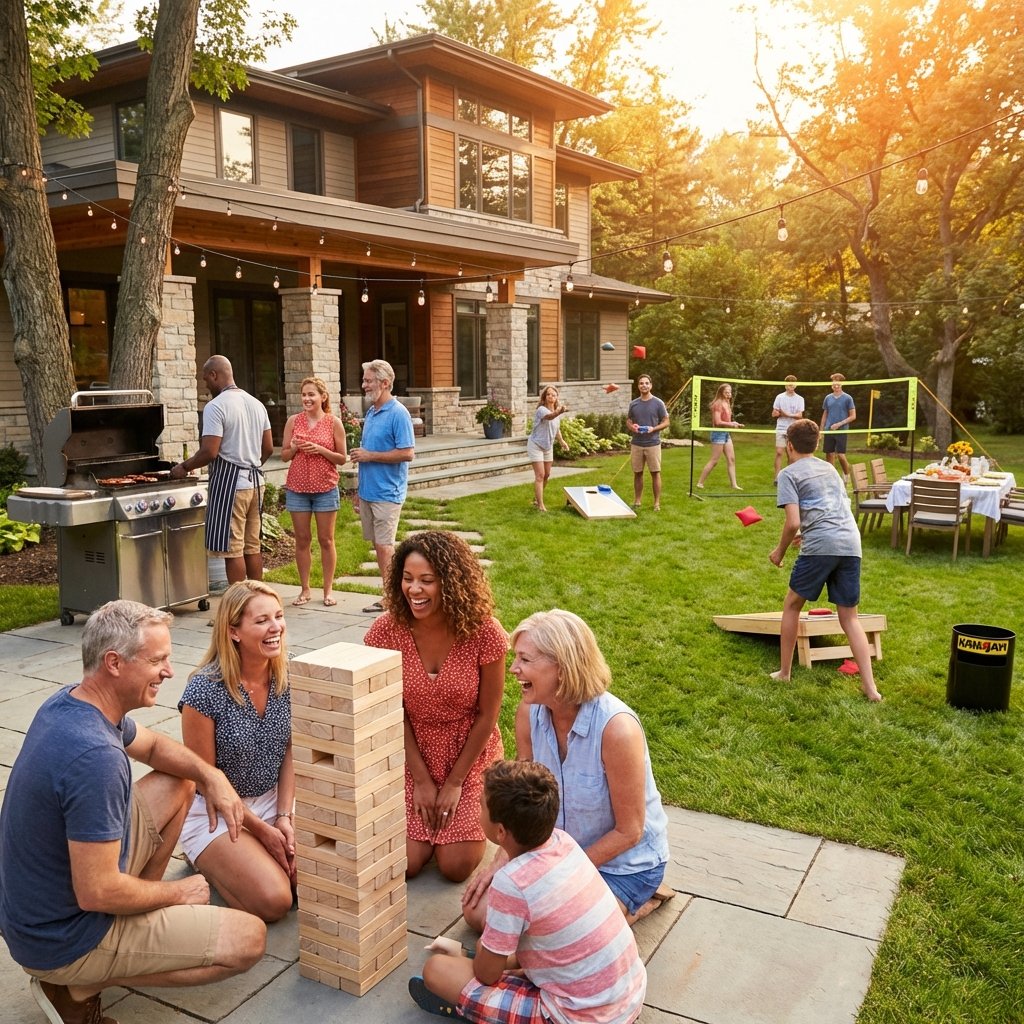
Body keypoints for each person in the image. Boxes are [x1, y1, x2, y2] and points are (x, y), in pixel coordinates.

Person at [0, 601, 265, 1024]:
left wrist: (210, 775)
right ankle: (76, 985)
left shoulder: (72, 702)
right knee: (248, 940)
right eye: (157, 660)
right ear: (114, 663)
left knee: (180, 780)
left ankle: (137, 923)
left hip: (37, 914)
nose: (169, 671)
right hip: (60, 939)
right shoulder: (96, 759)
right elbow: (97, 893)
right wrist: (179, 893)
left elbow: (156, 747)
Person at [463, 609, 670, 931]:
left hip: (622, 865)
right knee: (479, 916)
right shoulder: (529, 712)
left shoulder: (617, 729)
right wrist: (500, 861)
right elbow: (522, 802)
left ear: (562, 667)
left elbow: (630, 831)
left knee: (554, 934)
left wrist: (554, 874)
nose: (514, 668)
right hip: (553, 854)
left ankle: (638, 902)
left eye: (525, 659)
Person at [411, 759, 646, 1024]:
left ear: (501, 831)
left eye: (481, 805)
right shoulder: (563, 841)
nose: (477, 808)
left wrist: (482, 950)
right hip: (629, 996)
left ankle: (473, 1009)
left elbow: (487, 974)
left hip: (579, 1017)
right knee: (509, 959)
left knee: (437, 970)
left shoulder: (511, 883)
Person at [364, 530, 507, 882]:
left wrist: (456, 782)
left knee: (455, 866)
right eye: (407, 578)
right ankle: (428, 827)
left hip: (470, 751)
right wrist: (422, 780)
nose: (414, 590)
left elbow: (488, 715)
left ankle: (468, 814)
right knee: (407, 862)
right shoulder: (385, 632)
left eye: (426, 580)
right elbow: (390, 711)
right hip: (411, 749)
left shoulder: (484, 631)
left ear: (451, 583)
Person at [178, 581, 295, 922]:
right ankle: (205, 859)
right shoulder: (203, 691)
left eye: (278, 616)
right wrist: (262, 831)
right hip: (217, 810)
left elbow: (291, 752)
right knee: (275, 902)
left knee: (313, 878)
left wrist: (283, 816)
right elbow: (206, 781)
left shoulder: (289, 674)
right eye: (262, 620)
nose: (276, 627)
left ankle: (246, 861)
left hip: (274, 799)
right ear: (233, 631)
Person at [768, 419, 882, 702]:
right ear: (817, 444)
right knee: (850, 618)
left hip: (821, 545)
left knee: (792, 605)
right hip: (850, 542)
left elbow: (793, 522)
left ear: (789, 445)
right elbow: (832, 508)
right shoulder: (830, 468)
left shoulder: (788, 474)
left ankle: (784, 672)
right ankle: (871, 688)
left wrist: (780, 551)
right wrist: (808, 533)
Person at [171, 355, 273, 583]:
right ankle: (257, 598)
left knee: (232, 549)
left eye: (206, 379)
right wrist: (251, 464)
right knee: (252, 546)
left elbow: (210, 451)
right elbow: (267, 448)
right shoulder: (256, 404)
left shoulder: (215, 407)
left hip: (231, 486)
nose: (206, 384)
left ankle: (236, 602)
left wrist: (184, 467)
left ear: (214, 375)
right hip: (256, 483)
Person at [348, 359, 416, 613]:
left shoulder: (398, 413)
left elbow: (407, 453)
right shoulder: (372, 412)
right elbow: (364, 456)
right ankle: (390, 594)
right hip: (369, 491)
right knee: (378, 545)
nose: (364, 385)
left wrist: (370, 456)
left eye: (368, 380)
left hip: (388, 492)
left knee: (386, 546)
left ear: (385, 383)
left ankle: (394, 600)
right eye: (364, 380)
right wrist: (359, 491)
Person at [280, 376, 348, 606]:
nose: (307, 399)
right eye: (304, 395)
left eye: (312, 394)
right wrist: (293, 447)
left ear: (323, 397)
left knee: (326, 540)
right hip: (297, 488)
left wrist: (319, 449)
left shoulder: (333, 423)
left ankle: (328, 591)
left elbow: (342, 458)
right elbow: (284, 456)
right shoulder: (293, 421)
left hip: (325, 488)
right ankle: (305, 589)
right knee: (302, 540)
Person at [626, 373, 670, 510]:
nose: (644, 385)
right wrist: (632, 427)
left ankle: (656, 503)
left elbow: (666, 421)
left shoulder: (658, 403)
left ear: (651, 385)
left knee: (655, 472)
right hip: (637, 444)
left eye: (646, 383)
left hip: (653, 443)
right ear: (638, 386)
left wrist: (653, 429)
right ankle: (637, 501)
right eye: (641, 383)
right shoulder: (633, 404)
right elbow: (628, 420)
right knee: (637, 473)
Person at [527, 385, 567, 512]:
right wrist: (559, 411)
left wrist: (562, 441)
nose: (551, 396)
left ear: (556, 398)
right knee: (540, 475)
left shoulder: (556, 412)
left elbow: (556, 429)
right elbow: (550, 417)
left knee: (547, 475)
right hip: (536, 445)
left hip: (548, 446)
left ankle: (536, 499)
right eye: (548, 394)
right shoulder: (541, 410)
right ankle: (540, 505)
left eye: (553, 395)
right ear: (544, 397)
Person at [696, 382, 744, 490]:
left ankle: (734, 485)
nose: (729, 394)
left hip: (726, 433)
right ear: (721, 393)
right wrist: (731, 424)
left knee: (731, 459)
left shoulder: (727, 403)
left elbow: (726, 421)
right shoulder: (718, 404)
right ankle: (700, 483)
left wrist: (734, 423)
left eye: (730, 392)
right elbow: (717, 422)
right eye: (726, 392)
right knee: (714, 460)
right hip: (718, 433)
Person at [820, 372, 856, 484]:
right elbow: (825, 414)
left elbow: (853, 416)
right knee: (829, 455)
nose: (836, 385)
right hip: (829, 430)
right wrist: (821, 430)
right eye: (834, 383)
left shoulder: (848, 398)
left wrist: (839, 424)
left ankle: (846, 475)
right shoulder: (828, 398)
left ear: (842, 384)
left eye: (838, 383)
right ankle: (833, 479)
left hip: (841, 430)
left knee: (840, 455)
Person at [772, 375, 805, 482]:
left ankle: (790, 477)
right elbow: (774, 413)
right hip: (781, 428)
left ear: (795, 385)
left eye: (792, 384)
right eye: (788, 384)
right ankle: (777, 478)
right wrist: (778, 413)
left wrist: (787, 414)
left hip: (793, 429)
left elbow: (800, 415)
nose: (790, 386)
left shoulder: (800, 399)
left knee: (791, 454)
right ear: (785, 385)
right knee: (779, 452)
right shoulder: (779, 397)